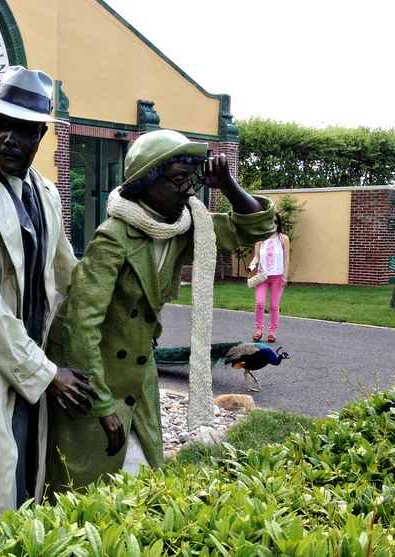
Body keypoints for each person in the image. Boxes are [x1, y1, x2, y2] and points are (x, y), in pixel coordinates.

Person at [44, 129, 276, 496]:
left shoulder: (185, 227)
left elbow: (254, 228)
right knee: (84, 486)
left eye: (192, 178)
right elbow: (78, 326)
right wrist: (102, 407)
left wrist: (228, 184)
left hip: (138, 370)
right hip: (91, 375)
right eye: (179, 180)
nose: (190, 190)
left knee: (142, 478)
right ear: (147, 182)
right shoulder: (114, 237)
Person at [0, 66, 98, 514]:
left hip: (39, 354)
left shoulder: (46, 192)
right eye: (1, 124)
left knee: (31, 468)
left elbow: (69, 271)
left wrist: (114, 308)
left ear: (41, 136)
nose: (8, 138)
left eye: (24, 129)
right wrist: (47, 374)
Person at [249, 212, 290, 343]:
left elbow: (286, 258)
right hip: (262, 275)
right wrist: (252, 264)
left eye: (276, 222)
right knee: (259, 303)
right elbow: (257, 256)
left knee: (274, 305)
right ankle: (259, 330)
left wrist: (285, 275)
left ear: (279, 223)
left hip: (278, 276)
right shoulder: (260, 239)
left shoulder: (283, 239)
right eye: (271, 221)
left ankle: (272, 332)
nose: (273, 224)